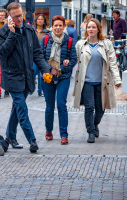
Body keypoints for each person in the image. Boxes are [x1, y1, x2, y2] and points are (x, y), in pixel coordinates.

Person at [0, 2, 53, 152]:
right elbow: (3, 52)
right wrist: (12, 33)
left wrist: (45, 70)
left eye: (20, 15)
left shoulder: (29, 30)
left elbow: (37, 53)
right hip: (12, 78)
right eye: (15, 17)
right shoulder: (2, 32)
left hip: (27, 76)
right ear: (9, 16)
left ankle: (9, 137)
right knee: (22, 108)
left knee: (16, 108)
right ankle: (32, 140)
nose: (19, 19)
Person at [74, 18, 121, 143]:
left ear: (98, 29)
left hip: (102, 82)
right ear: (86, 29)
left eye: (93, 27)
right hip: (87, 81)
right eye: (89, 27)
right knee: (89, 107)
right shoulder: (80, 44)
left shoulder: (106, 44)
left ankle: (95, 124)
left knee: (100, 109)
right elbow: (76, 61)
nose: (91, 29)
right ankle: (90, 132)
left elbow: (112, 62)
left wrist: (117, 79)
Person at [39, 15, 77, 145]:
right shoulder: (45, 40)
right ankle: (48, 130)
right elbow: (39, 58)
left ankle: (64, 135)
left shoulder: (70, 41)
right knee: (49, 106)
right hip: (48, 77)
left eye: (60, 25)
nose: (58, 28)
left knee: (61, 105)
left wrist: (61, 68)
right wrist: (49, 69)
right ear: (52, 26)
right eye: (56, 25)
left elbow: (73, 60)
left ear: (64, 27)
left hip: (63, 77)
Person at [33, 14, 50, 97]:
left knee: (41, 73)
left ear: (44, 21)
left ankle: (41, 90)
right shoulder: (32, 31)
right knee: (33, 71)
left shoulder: (47, 32)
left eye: (41, 19)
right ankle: (31, 87)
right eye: (38, 19)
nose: (40, 20)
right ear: (36, 21)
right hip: (33, 55)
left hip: (43, 55)